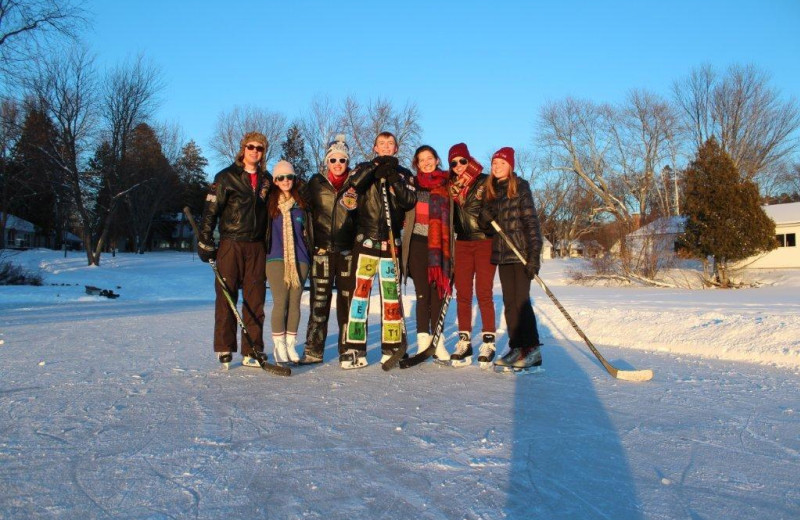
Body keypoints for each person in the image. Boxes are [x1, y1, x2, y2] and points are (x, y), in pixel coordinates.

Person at [339, 131, 417, 369]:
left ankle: (392, 347)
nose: (385, 147)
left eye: (390, 144)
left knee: (391, 298)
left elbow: (409, 201)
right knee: (359, 296)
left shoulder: (404, 174)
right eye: (381, 144)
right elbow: (352, 187)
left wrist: (393, 178)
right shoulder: (363, 167)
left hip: (391, 243)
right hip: (366, 240)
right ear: (374, 147)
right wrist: (373, 168)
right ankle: (354, 349)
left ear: (396, 148)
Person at [198, 132, 271, 367]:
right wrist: (205, 241)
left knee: (255, 298)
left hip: (256, 246)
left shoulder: (266, 179)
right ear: (243, 149)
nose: (254, 152)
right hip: (231, 243)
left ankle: (253, 349)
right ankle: (224, 347)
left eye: (259, 148)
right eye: (251, 147)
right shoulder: (226, 177)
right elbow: (210, 212)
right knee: (227, 296)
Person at [478, 147, 544, 371]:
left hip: (521, 253)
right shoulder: (491, 190)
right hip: (502, 255)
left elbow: (532, 224)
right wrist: (484, 219)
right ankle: (517, 347)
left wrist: (534, 256)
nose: (497, 167)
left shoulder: (521, 187)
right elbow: (486, 227)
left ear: (511, 166)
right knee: (509, 303)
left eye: (502, 163)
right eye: (494, 163)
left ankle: (532, 349)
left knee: (521, 302)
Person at [298, 135, 357, 364]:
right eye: (333, 160)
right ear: (327, 162)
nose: (338, 164)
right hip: (321, 251)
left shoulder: (356, 184)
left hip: (347, 253)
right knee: (319, 302)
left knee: (347, 303)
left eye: (342, 160)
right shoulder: (315, 183)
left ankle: (348, 349)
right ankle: (313, 350)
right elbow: (295, 202)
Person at [446, 143, 498, 368]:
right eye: (453, 163)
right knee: (463, 293)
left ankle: (488, 341)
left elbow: (502, 199)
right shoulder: (450, 187)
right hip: (462, 242)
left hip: (484, 241)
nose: (458, 166)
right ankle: (464, 341)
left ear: (469, 160)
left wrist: (491, 212)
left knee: (484, 292)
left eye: (462, 161)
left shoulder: (485, 180)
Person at [401, 145, 453, 362]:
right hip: (416, 244)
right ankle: (423, 342)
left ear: (437, 159)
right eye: (421, 160)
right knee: (422, 294)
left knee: (438, 293)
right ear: (416, 163)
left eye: (429, 158)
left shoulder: (448, 185)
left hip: (440, 245)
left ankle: (437, 342)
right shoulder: (411, 185)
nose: (426, 162)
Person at [265, 160, 311, 364]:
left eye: (289, 177)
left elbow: (308, 231)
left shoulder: (301, 205)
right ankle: (279, 345)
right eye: (281, 177)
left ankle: (291, 344)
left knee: (295, 304)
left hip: (300, 259)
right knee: (280, 302)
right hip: (275, 258)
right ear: (275, 180)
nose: (286, 181)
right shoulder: (269, 204)